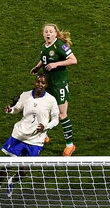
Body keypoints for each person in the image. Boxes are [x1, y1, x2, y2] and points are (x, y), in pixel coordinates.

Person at [0, 73, 59, 204]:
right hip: (19, 135)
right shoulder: (25, 95)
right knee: (7, 166)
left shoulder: (51, 100)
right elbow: (16, 109)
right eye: (38, 82)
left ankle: (12, 181)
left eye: (43, 83)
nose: (40, 85)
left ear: (46, 85)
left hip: (36, 141)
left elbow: (56, 119)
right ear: (35, 82)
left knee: (24, 171)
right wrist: (10, 110)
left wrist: (45, 126)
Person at [30, 23, 79, 156]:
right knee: (44, 109)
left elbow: (73, 60)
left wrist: (56, 64)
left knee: (62, 114)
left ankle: (70, 145)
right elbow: (44, 59)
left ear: (55, 33)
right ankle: (43, 134)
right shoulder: (44, 46)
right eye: (46, 31)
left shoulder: (61, 46)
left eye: (51, 31)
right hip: (48, 84)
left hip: (59, 85)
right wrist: (37, 67)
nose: (48, 33)